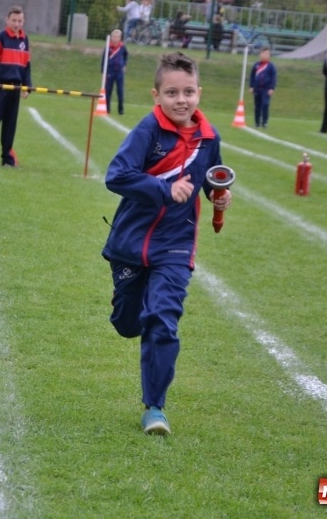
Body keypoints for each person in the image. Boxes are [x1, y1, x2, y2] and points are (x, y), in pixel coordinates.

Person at [101, 52, 233, 436]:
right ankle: (129, 309)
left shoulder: (209, 137)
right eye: (172, 92)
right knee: (129, 323)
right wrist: (164, 189)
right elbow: (116, 175)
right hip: (131, 243)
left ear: (199, 93)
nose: (181, 100)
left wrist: (219, 197)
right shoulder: (147, 131)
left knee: (162, 318)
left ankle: (155, 407)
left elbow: (210, 179)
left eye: (188, 92)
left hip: (176, 244)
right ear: (156, 95)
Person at [0, 6, 31, 167]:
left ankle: (8, 157)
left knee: (10, 125)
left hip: (15, 89)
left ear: (23, 21)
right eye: (14, 20)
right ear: (7, 20)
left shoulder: (24, 40)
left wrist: (27, 86)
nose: (17, 24)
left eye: (20, 21)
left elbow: (27, 66)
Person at [249, 46, 277, 128]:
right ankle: (257, 122)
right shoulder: (256, 65)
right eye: (264, 53)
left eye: (267, 54)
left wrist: (272, 88)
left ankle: (264, 122)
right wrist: (251, 86)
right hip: (257, 88)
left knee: (265, 104)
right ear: (260, 54)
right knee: (257, 106)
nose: (265, 55)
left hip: (266, 89)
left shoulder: (271, 66)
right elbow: (252, 76)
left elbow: (274, 78)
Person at [102, 29, 128, 115]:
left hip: (119, 71)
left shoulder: (122, 47)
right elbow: (104, 59)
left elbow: (126, 55)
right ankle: (107, 109)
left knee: (120, 90)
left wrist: (124, 64)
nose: (115, 38)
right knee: (108, 90)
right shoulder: (108, 47)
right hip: (110, 71)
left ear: (120, 38)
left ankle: (121, 109)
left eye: (117, 37)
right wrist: (103, 71)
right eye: (113, 36)